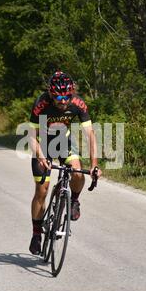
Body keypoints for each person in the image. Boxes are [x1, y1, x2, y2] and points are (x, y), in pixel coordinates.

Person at [28, 71, 102, 255]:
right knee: (42, 189)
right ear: (51, 94)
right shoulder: (41, 104)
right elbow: (31, 136)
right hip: (42, 144)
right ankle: (37, 234)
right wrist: (41, 156)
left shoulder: (78, 104)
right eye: (58, 97)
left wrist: (94, 164)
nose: (62, 101)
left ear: (72, 92)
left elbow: (90, 134)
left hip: (63, 141)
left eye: (66, 97)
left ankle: (74, 201)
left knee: (77, 173)